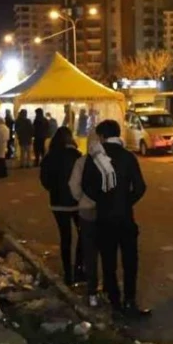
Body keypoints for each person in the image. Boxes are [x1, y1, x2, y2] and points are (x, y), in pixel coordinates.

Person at [82, 120, 148, 317]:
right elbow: (140, 187)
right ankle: (130, 302)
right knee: (130, 261)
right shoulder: (128, 157)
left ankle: (115, 303)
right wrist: (126, 201)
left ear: (102, 137)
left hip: (104, 219)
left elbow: (87, 186)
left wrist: (102, 199)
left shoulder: (94, 158)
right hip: (126, 218)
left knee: (108, 262)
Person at [41, 126, 84, 286]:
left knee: (65, 238)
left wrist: (54, 190)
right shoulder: (76, 156)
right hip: (76, 203)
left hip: (57, 203)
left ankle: (68, 274)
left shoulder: (49, 157)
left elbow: (44, 180)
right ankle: (79, 267)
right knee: (83, 234)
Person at [70, 130, 102, 307]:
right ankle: (109, 289)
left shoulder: (82, 162)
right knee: (107, 250)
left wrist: (81, 199)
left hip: (86, 211)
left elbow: (73, 185)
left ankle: (92, 292)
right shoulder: (108, 161)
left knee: (89, 252)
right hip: (106, 212)